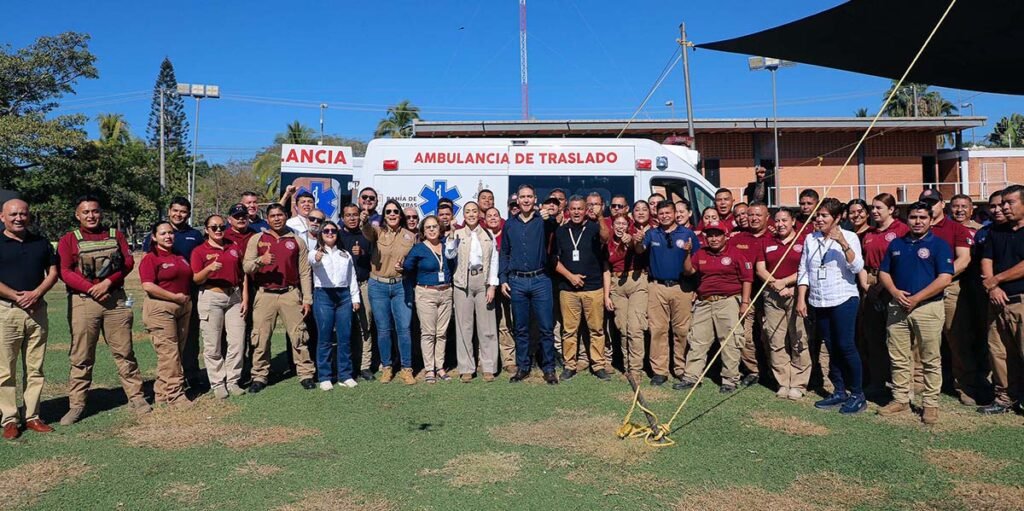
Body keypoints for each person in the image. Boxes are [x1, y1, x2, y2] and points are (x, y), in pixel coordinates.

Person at [58, 195, 150, 425]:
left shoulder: (115, 235)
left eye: (95, 211)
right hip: (83, 301)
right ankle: (77, 405)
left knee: (124, 352)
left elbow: (128, 263)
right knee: (81, 356)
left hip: (114, 300)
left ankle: (136, 397)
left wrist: (108, 283)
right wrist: (91, 289)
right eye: (86, 212)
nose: (91, 216)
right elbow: (65, 271)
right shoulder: (69, 239)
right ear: (77, 215)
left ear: (101, 213)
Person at [877, 202, 953, 425]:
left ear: (931, 220)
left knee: (930, 358)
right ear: (906, 219)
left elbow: (945, 278)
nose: (917, 221)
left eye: (922, 217)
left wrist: (917, 298)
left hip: (927, 308)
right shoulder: (897, 243)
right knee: (898, 356)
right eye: (913, 217)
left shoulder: (939, 245)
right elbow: (884, 272)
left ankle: (930, 403)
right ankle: (900, 398)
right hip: (898, 306)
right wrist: (893, 291)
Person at [797, 198, 866, 414]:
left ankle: (857, 394)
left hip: (843, 298)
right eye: (817, 215)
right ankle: (839, 390)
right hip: (819, 299)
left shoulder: (851, 237)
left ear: (837, 218)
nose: (819, 219)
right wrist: (801, 298)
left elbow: (857, 266)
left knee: (845, 345)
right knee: (830, 345)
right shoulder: (810, 239)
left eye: (824, 215)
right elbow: (804, 270)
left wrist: (842, 243)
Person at [243, 203, 318, 393]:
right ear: (267, 219)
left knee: (299, 335)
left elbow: (304, 272)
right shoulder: (257, 239)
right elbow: (246, 267)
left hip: (290, 294)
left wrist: (307, 298)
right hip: (264, 294)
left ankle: (306, 373)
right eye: (273, 215)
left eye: (280, 215)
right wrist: (261, 261)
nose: (276, 218)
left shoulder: (297, 241)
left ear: (286, 216)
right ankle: (259, 375)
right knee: (261, 337)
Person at [0, 199, 58, 439]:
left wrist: (37, 294)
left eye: (23, 214)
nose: (18, 218)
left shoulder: (40, 242)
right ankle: (9, 419)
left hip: (37, 311)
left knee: (35, 367)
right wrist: (15, 296)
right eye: (13, 214)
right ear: (2, 217)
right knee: (5, 369)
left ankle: (32, 415)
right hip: (6, 311)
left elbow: (53, 272)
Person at [677, 220, 753, 393]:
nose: (713, 238)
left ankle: (730, 379)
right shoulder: (701, 253)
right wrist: (687, 254)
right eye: (709, 235)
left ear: (725, 236)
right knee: (697, 340)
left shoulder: (736, 253)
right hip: (704, 302)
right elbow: (689, 271)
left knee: (730, 342)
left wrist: (745, 303)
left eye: (717, 234)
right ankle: (691, 376)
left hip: (728, 301)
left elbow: (747, 278)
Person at [920, 189, 978, 405]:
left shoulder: (955, 228)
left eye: (932, 202)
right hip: (922, 290)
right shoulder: (917, 227)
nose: (929, 206)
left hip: (949, 288)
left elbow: (963, 260)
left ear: (941, 204)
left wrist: (940, 278)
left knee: (957, 338)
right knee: (923, 340)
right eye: (924, 202)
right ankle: (921, 383)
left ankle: (964, 385)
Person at [499, 184, 560, 385]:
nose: (526, 200)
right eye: (522, 197)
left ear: (535, 199)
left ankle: (549, 368)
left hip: (540, 280)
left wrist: (549, 218)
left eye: (529, 197)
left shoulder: (542, 221)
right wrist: (503, 279)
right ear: (517, 200)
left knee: (545, 327)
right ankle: (522, 367)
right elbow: (505, 253)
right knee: (521, 328)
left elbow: (555, 228)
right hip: (517, 281)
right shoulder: (509, 224)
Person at [638, 200, 700, 386]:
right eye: (661, 213)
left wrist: (697, 288)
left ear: (674, 214)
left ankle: (680, 368)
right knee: (658, 330)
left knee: (681, 330)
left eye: (668, 212)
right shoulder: (652, 233)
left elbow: (697, 262)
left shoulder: (687, 234)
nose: (664, 216)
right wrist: (638, 241)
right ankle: (660, 370)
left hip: (682, 288)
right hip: (657, 287)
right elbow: (641, 250)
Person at [554, 195, 611, 381]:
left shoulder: (594, 228)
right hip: (568, 289)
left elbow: (606, 237)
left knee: (596, 329)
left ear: (586, 210)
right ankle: (570, 365)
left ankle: (598, 365)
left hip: (593, 287)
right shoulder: (561, 231)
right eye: (573, 209)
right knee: (569, 330)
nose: (576, 212)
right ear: (568, 210)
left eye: (580, 209)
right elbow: (553, 260)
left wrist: (601, 217)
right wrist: (570, 276)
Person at [190, 214, 248, 400]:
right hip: (211, 296)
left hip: (234, 296)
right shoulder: (199, 251)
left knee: (237, 342)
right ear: (206, 230)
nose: (218, 230)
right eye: (214, 227)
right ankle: (217, 383)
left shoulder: (233, 247)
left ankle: (233, 380)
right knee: (212, 344)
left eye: (221, 227)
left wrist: (245, 297)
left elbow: (243, 274)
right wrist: (208, 270)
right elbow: (196, 278)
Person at [757, 208, 811, 400]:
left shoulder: (804, 240)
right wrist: (775, 284)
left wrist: (787, 283)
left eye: (784, 220)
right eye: (777, 221)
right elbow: (760, 268)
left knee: (798, 338)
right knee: (775, 339)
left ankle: (798, 383)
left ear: (793, 221)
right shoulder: (767, 241)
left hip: (797, 294)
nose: (780, 224)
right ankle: (783, 382)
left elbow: (807, 268)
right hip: (772, 296)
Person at [859, 193, 910, 394]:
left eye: (879, 207)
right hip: (870, 284)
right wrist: (866, 286)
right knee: (873, 337)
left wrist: (881, 286)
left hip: (892, 285)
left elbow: (901, 262)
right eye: (873, 207)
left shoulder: (901, 230)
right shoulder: (869, 233)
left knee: (897, 339)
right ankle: (877, 381)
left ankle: (902, 385)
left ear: (891, 210)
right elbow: (862, 262)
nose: (874, 211)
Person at [139, 221, 194, 407]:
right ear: (154, 237)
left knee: (174, 352)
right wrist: (174, 297)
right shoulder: (151, 258)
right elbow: (148, 285)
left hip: (183, 307)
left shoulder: (179, 256)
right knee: (169, 353)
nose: (168, 236)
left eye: (170, 233)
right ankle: (175, 395)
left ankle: (161, 393)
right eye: (163, 233)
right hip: (161, 308)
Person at [980, 185, 1024, 415]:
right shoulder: (996, 232)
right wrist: (992, 287)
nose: (1004, 207)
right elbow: (987, 259)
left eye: (1010, 203)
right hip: (997, 302)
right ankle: (1004, 397)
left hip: (1020, 301)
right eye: (1002, 203)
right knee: (998, 352)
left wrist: (996, 279)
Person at [363, 199, 418, 384]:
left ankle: (406, 368)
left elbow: (414, 262)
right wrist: (364, 221)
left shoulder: (410, 236)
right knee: (384, 329)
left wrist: (407, 269)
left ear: (400, 215)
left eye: (395, 211)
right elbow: (367, 231)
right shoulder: (377, 231)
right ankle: (387, 368)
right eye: (388, 212)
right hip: (378, 286)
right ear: (384, 215)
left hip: (401, 286)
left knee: (404, 329)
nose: (392, 214)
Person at [445, 202, 500, 382]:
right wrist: (452, 237)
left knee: (487, 327)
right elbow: (450, 255)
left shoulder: (488, 234)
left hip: (482, 280)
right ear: (464, 215)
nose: (471, 214)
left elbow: (493, 260)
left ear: (479, 214)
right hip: (463, 282)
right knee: (464, 327)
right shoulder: (457, 234)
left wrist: (492, 285)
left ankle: (488, 367)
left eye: (474, 211)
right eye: (467, 212)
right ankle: (466, 368)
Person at [310, 220, 361, 390]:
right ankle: (325, 376)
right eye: (326, 231)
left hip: (344, 296)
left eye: (333, 231)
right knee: (324, 337)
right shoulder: (315, 252)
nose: (330, 233)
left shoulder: (344, 254)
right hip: (324, 294)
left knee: (344, 337)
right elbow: (313, 261)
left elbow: (351, 277)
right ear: (321, 234)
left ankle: (345, 375)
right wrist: (316, 257)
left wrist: (355, 298)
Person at [405, 215, 453, 383]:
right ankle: (429, 369)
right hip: (426, 293)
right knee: (428, 333)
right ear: (423, 231)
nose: (432, 230)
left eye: (434, 226)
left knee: (442, 333)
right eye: (428, 227)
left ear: (440, 228)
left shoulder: (447, 246)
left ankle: (440, 367)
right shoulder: (418, 249)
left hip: (446, 292)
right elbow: (407, 267)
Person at [605, 213, 648, 380]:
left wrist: (631, 240)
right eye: (617, 224)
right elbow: (606, 270)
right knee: (623, 328)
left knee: (635, 327)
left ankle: (636, 369)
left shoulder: (631, 239)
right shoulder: (607, 244)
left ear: (628, 226)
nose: (620, 227)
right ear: (612, 226)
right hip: (617, 285)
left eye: (624, 224)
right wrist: (606, 295)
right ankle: (627, 366)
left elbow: (636, 246)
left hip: (636, 281)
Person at [732, 202, 771, 385]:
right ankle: (753, 370)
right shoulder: (737, 239)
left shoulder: (774, 237)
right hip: (744, 295)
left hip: (770, 294)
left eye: (758, 215)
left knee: (769, 335)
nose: (754, 219)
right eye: (750, 215)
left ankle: (773, 371)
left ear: (767, 217)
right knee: (744, 335)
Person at [338, 204, 376, 381]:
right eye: (348, 215)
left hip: (363, 285)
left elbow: (376, 258)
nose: (352, 218)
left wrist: (362, 253)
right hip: (343, 288)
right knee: (344, 327)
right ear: (342, 217)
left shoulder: (367, 235)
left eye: (355, 215)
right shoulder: (336, 236)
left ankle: (365, 366)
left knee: (365, 326)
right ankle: (346, 366)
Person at [486, 207, 516, 373]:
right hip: (486, 286)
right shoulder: (481, 235)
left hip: (505, 282)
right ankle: (486, 359)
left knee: (506, 323)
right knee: (486, 325)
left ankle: (508, 359)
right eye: (489, 216)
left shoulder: (508, 233)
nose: (492, 218)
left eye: (495, 215)